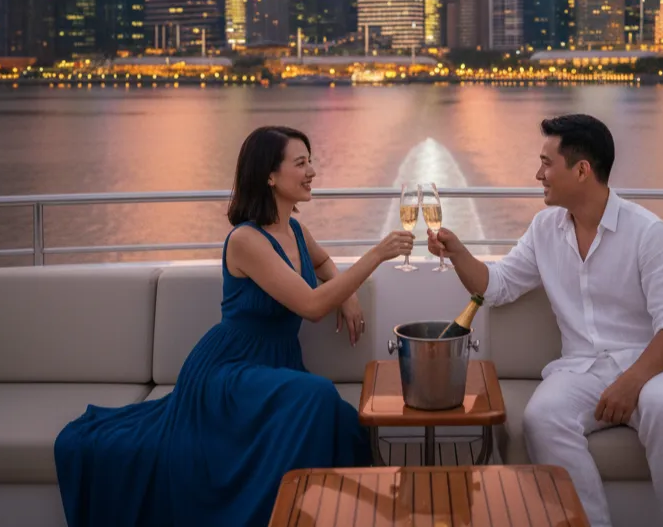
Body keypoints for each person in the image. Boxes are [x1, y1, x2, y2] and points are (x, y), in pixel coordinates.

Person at [54, 125, 414, 527]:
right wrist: (377, 255)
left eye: (310, 162)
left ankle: (329, 512)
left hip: (277, 363)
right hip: (229, 369)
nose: (312, 171)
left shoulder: (295, 230)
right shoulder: (247, 240)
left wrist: (347, 295)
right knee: (316, 395)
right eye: (301, 163)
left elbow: (324, 263)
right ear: (270, 175)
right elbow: (312, 307)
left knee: (341, 420)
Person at [428, 114, 663, 527]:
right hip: (581, 370)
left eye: (546, 163)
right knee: (541, 417)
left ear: (581, 170)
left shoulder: (649, 233)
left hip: (651, 367)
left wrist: (631, 382)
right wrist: (457, 253)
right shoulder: (545, 229)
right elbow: (497, 286)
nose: (538, 174)